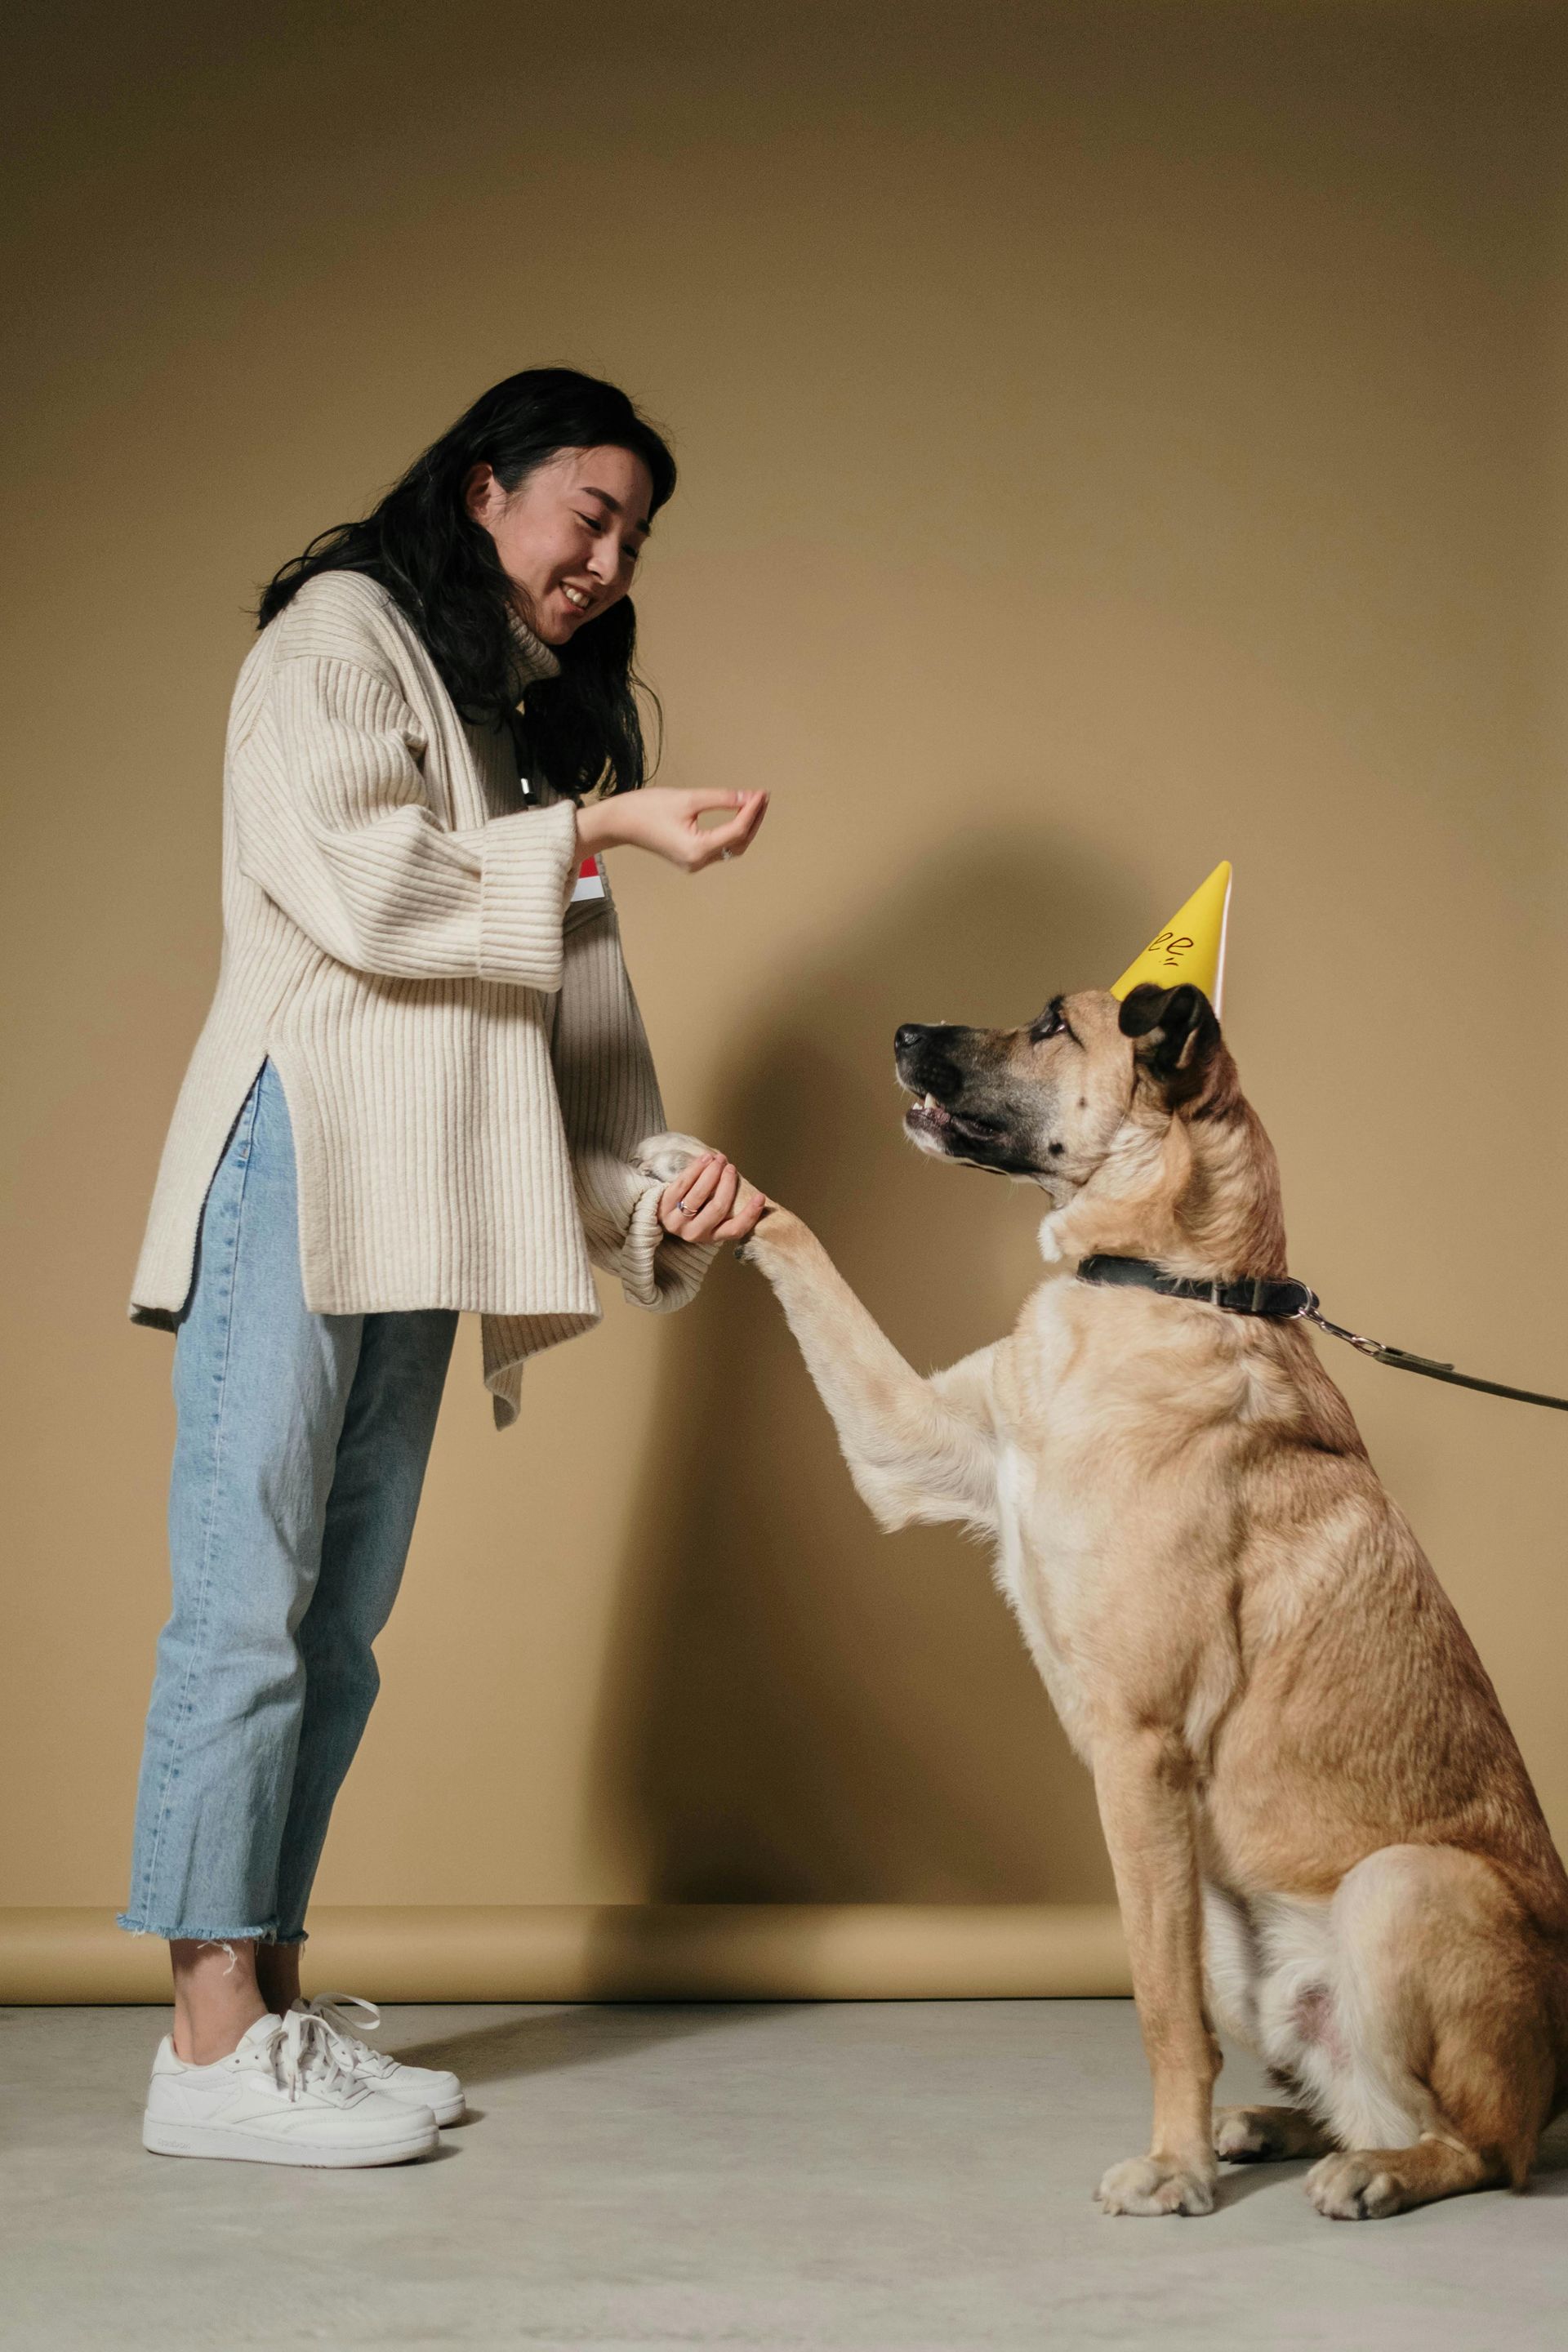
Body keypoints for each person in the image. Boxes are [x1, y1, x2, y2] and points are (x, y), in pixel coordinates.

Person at [119, 368, 769, 2167]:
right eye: (592, 513)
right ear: (487, 488)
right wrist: (602, 829)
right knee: (247, 1603)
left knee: (336, 1627)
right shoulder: (332, 639)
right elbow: (367, 890)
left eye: (635, 537)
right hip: (294, 1159)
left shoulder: (511, 732)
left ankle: (268, 2009)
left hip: (416, 1202)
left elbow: (558, 1039)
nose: (610, 559)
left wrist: (656, 1194)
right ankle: (204, 2048)